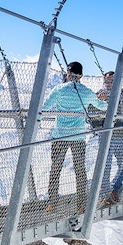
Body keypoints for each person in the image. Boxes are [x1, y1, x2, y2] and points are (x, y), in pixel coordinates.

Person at [41, 61, 108, 212]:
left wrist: (36, 121)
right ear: (81, 76)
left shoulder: (58, 90)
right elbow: (102, 107)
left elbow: (44, 107)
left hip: (60, 136)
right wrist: (104, 99)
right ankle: (81, 204)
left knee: (55, 169)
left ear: (68, 74)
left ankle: (52, 203)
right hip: (78, 136)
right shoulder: (86, 92)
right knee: (80, 170)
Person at [95, 71, 123, 205]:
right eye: (107, 81)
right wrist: (99, 100)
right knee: (106, 165)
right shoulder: (100, 94)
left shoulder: (122, 92)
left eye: (111, 81)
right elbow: (93, 111)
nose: (108, 83)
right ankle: (103, 195)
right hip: (107, 135)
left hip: (121, 134)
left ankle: (114, 188)